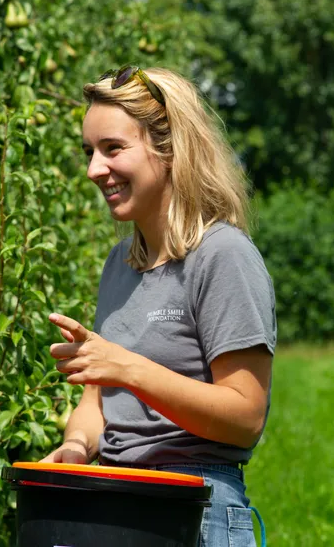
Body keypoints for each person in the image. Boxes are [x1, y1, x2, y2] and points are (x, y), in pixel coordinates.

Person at [40, 65, 277, 547]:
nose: (93, 170)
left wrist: (128, 368)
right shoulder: (118, 266)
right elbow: (96, 403)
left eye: (112, 148)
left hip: (195, 509)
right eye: (89, 152)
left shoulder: (222, 256)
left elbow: (245, 416)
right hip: (117, 503)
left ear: (168, 149)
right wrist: (76, 445)